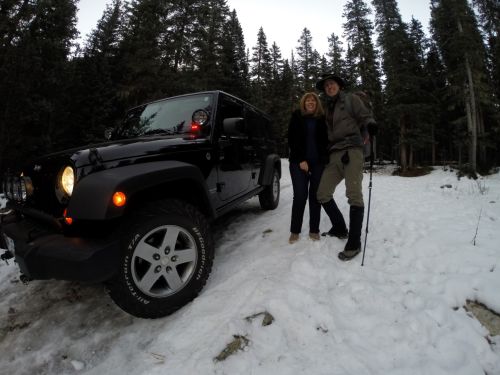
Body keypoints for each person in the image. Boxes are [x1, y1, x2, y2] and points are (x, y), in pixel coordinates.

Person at [315, 73, 377, 260]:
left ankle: (354, 242)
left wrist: (371, 124)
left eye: (332, 84)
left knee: (354, 194)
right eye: (326, 86)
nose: (329, 87)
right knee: (322, 193)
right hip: (334, 154)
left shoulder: (351, 100)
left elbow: (365, 116)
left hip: (352, 151)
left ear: (339, 86)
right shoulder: (327, 108)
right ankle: (340, 227)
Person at [287, 92, 328, 244]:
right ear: (303, 103)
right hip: (299, 163)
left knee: (315, 197)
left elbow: (325, 142)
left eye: (313, 101)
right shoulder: (297, 116)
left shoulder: (322, 119)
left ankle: (314, 230)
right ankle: (295, 230)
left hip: (318, 163)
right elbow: (292, 139)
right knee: (300, 196)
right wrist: (301, 159)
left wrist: (324, 159)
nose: (311, 102)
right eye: (308, 100)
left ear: (317, 104)